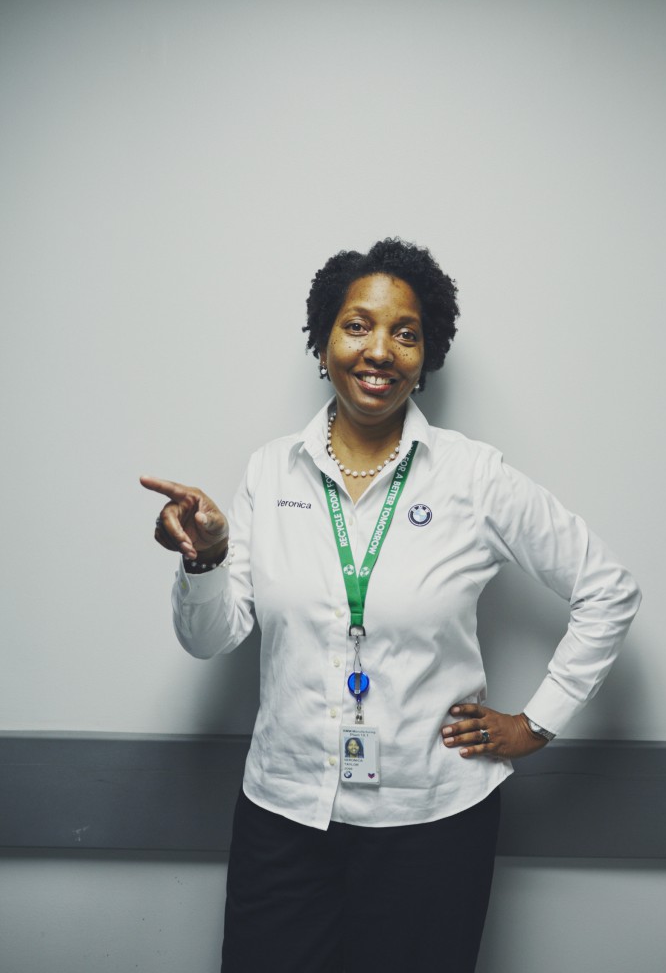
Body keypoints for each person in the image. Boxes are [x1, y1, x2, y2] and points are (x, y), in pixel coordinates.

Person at [141, 237, 640, 973]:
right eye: (358, 326)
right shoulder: (269, 471)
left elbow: (608, 588)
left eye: (406, 333)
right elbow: (210, 639)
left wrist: (538, 721)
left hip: (433, 822)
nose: (380, 350)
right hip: (284, 814)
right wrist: (206, 557)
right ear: (323, 342)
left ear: (426, 355)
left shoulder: (473, 477)